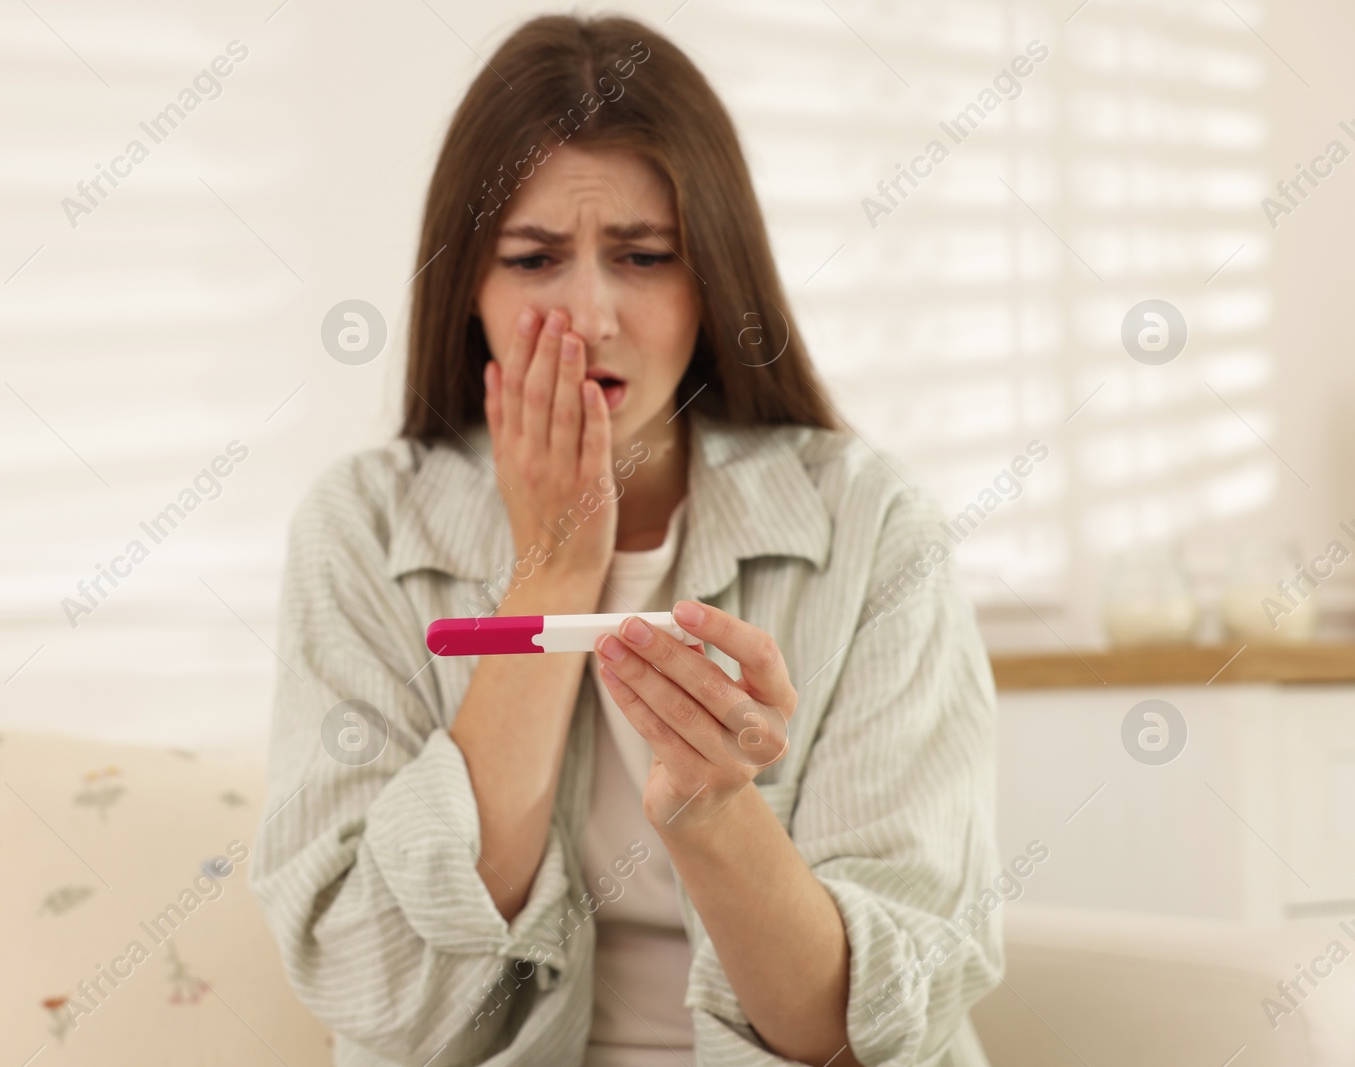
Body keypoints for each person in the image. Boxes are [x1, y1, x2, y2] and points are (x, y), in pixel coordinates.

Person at [250, 14, 1002, 1067]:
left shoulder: (872, 525)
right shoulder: (360, 529)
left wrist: (714, 807)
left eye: (643, 257)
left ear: (714, 283)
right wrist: (550, 576)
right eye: (534, 258)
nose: (590, 312)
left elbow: (872, 1024)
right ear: (470, 285)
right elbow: (385, 995)